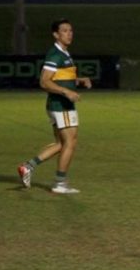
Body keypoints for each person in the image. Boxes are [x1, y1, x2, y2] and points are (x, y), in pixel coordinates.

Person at [17, 19, 92, 194]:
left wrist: (79, 80)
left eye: (71, 30)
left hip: (58, 105)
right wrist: (66, 92)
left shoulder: (64, 54)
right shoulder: (55, 55)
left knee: (61, 143)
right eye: (65, 31)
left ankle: (28, 167)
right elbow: (44, 82)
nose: (69, 33)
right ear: (56, 35)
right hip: (61, 105)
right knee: (70, 142)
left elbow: (61, 77)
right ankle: (60, 183)